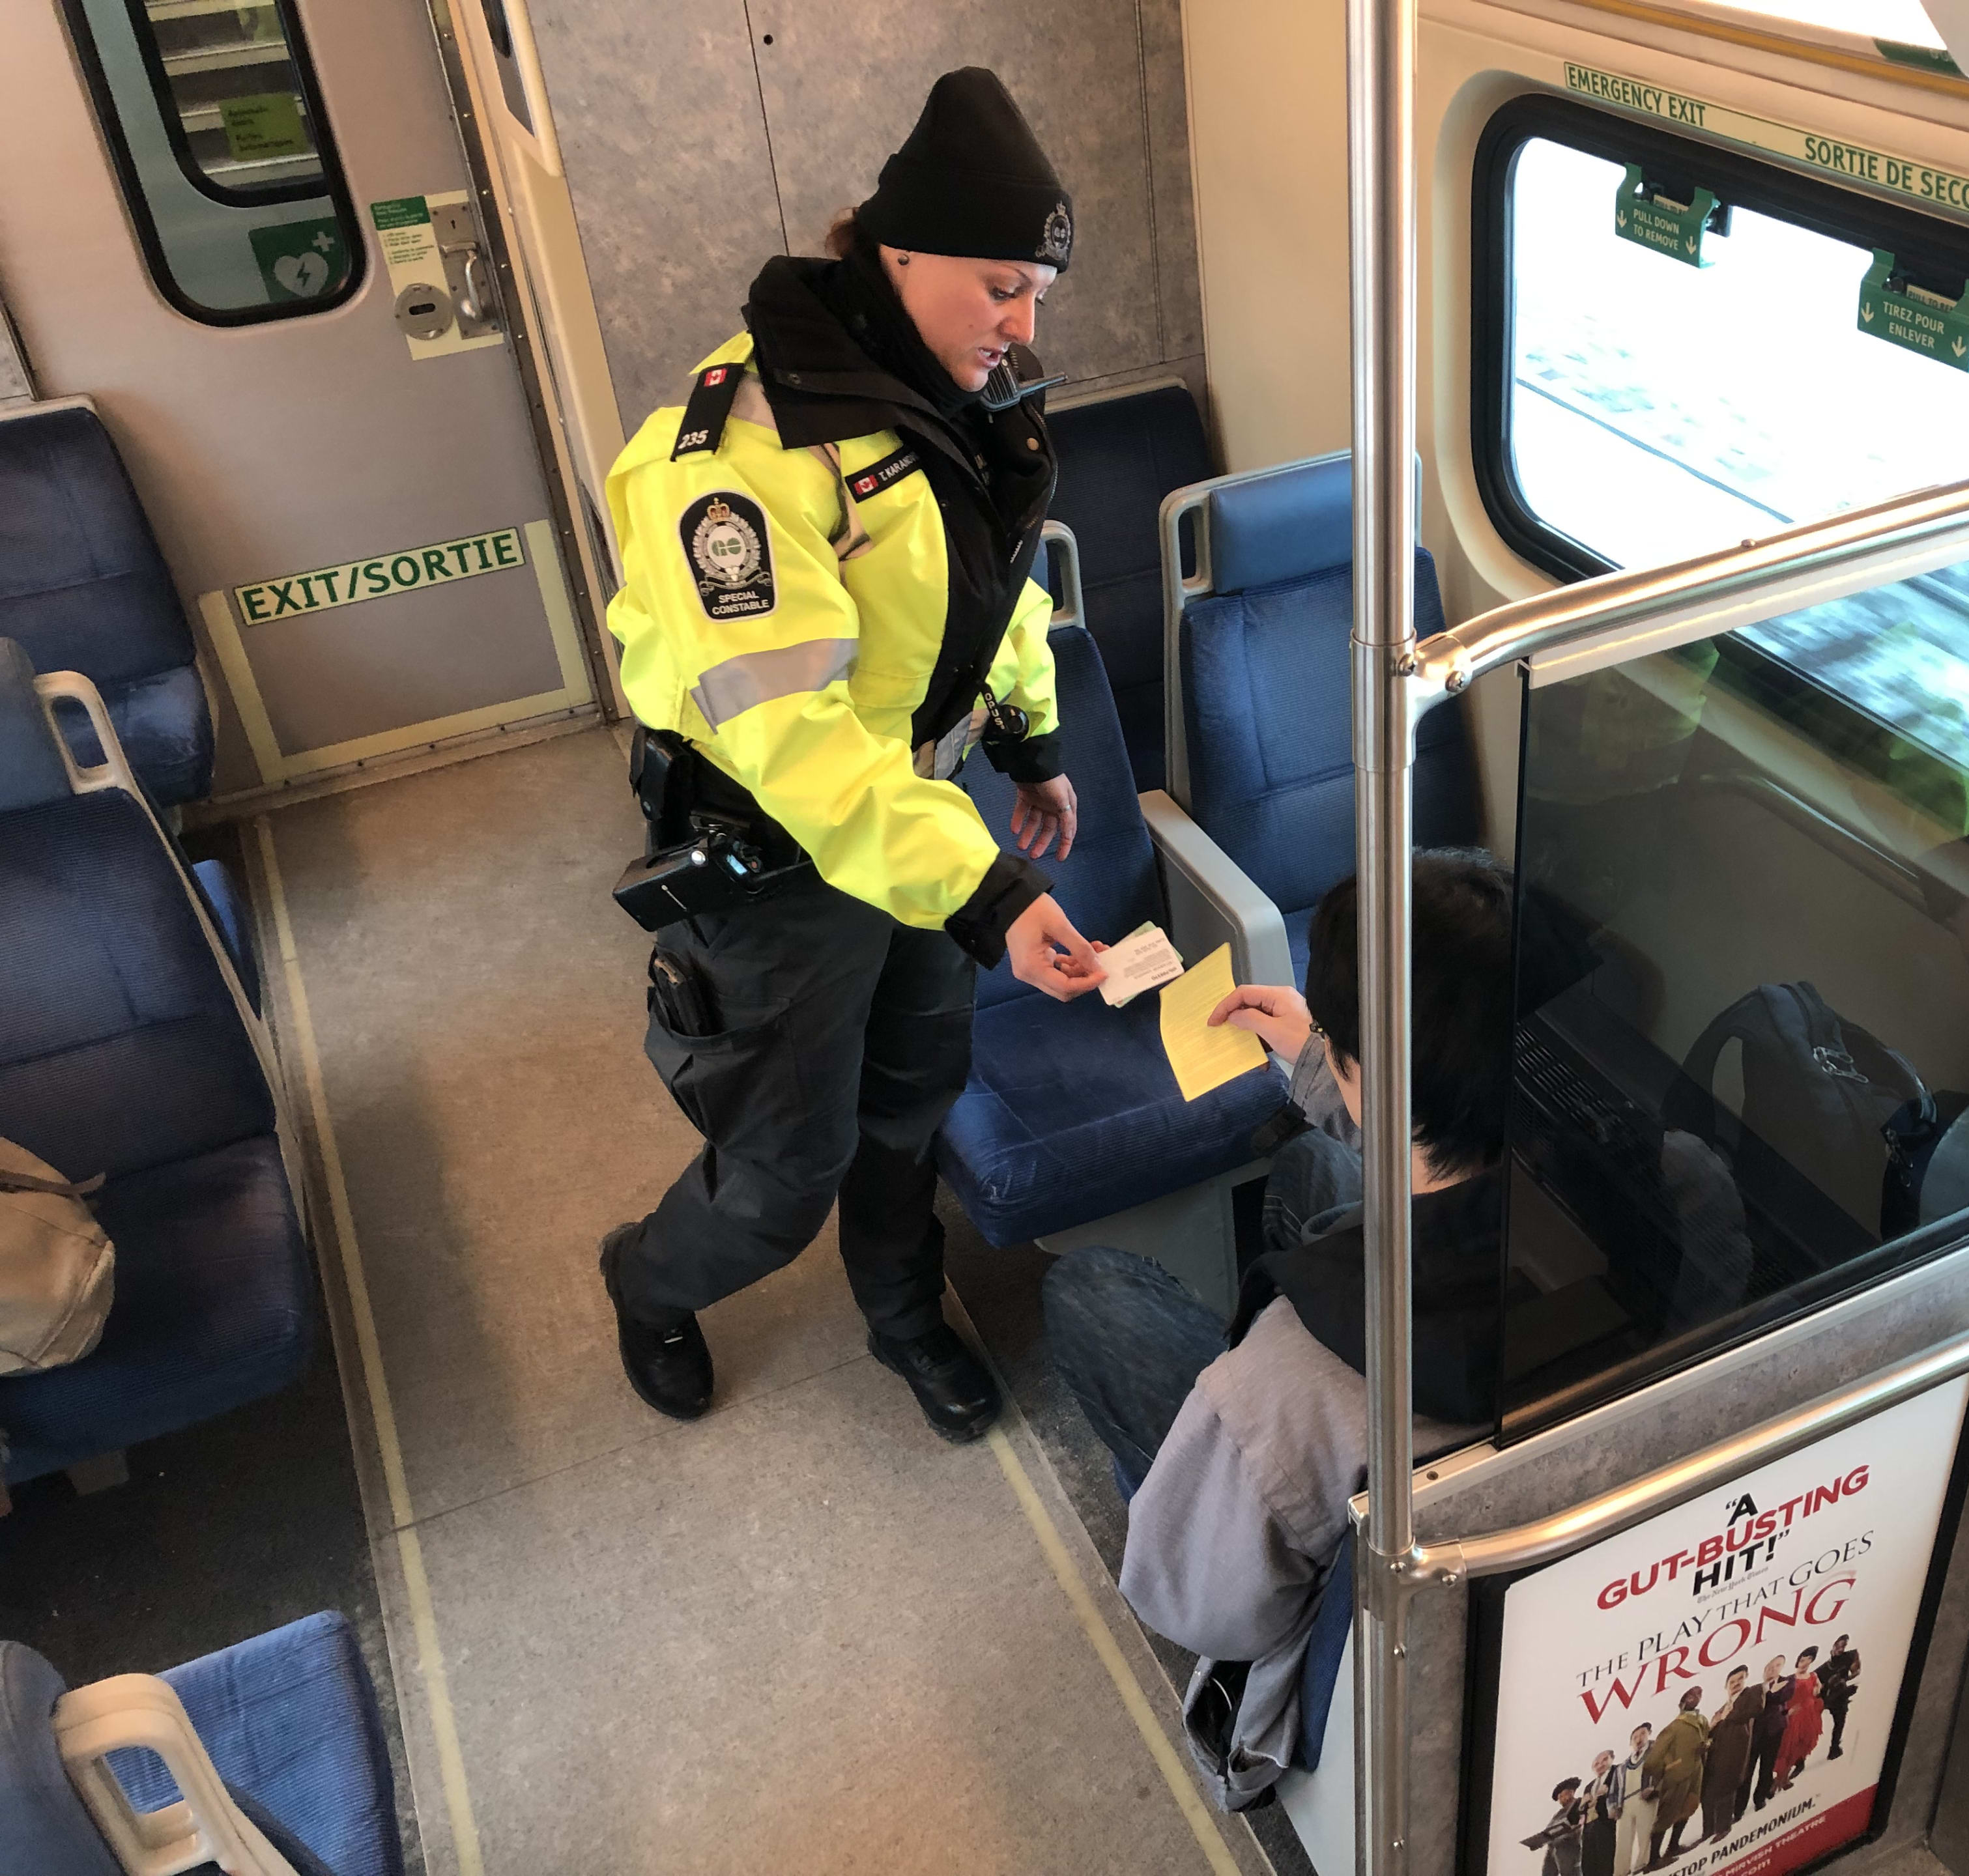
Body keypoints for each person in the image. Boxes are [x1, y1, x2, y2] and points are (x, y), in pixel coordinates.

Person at [597, 68, 1108, 1438]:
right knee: (779, 1175)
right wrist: (989, 895)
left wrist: (1030, 733)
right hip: (778, 852)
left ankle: (901, 1316)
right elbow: (799, 745)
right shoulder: (739, 460)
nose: (1021, 321)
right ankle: (646, 1281)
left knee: (912, 1099)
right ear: (898, 253)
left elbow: (990, 582)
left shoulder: (949, 392)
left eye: (1035, 294)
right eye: (1001, 283)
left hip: (913, 817)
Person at [1039, 851, 1516, 1806]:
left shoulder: (1289, 1375)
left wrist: (1235, 1417)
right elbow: (1447, 1159)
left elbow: (1206, 1603)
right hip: (1486, 1447)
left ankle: (1194, 1457)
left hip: (1326, 1491)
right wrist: (1328, 1061)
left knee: (1088, 1292)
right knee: (1312, 1179)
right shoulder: (1680, 1179)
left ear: (1365, 1069)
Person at [1640, 1685, 1710, 1866]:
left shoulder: (1702, 1720)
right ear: (1682, 1701)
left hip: (1696, 1772)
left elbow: (1707, 1738)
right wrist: (1660, 1780)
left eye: (1698, 1694)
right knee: (1666, 1815)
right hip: (1676, 1776)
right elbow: (1653, 1762)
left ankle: (1673, 1846)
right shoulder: (1673, 1727)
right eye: (1690, 1695)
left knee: (1689, 1807)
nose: (1695, 1697)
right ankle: (1653, 1861)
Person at [1700, 1667, 1759, 1842]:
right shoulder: (1721, 1709)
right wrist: (1713, 1726)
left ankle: (1723, 1828)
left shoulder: (1751, 1695)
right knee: (1708, 1794)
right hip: (1716, 1757)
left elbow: (1754, 1710)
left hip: (1735, 1754)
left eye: (1740, 1679)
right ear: (1726, 1686)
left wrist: (1727, 1716)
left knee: (1727, 1790)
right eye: (1732, 1682)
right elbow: (1712, 1733)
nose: (1736, 1684)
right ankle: (1708, 1831)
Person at [1775, 1644, 1824, 1787]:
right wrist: (1787, 1713)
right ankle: (1780, 1780)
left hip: (1809, 1717)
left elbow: (1816, 1692)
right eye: (1803, 1660)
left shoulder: (1814, 1676)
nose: (1806, 1663)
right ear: (1798, 1661)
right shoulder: (1789, 1679)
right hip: (1794, 1718)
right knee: (1787, 1749)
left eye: (1809, 1660)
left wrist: (1817, 1690)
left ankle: (1783, 1780)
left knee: (1801, 1747)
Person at [1613, 1722, 1656, 1876]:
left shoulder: (1654, 1752)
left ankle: (1641, 1865)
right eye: (1635, 1737)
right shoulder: (1622, 1767)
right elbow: (1615, 1789)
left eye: (1643, 1734)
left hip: (1644, 1797)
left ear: (1649, 1735)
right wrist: (1614, 1806)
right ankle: (1621, 1872)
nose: (1639, 1739)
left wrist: (1654, 1788)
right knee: (1623, 1840)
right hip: (1625, 1803)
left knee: (1645, 1833)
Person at [1749, 1654, 1792, 1812]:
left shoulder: (1787, 1682)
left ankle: (1760, 1799)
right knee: (1748, 1770)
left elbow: (1780, 1698)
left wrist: (1770, 1693)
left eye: (1777, 1666)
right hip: (1755, 1733)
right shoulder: (1755, 1689)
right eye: (1770, 1666)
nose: (1773, 1669)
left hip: (1774, 1730)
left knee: (1767, 1766)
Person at [1524, 1777, 1588, 1876]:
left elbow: (1578, 1824)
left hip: (1569, 1850)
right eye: (1560, 1798)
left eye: (1562, 1796)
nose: (1561, 1800)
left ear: (1570, 1793)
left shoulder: (1579, 1804)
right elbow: (1549, 1831)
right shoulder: (1557, 1815)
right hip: (1553, 1851)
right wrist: (1537, 1842)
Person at [1818, 1634, 1861, 1759]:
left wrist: (1845, 1680)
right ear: (1834, 1645)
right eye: (1839, 1645)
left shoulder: (1849, 1656)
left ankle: (1835, 1748)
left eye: (1843, 1646)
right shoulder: (1822, 1669)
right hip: (1826, 1698)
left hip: (1840, 1697)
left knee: (1839, 1723)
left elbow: (1856, 1671)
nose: (1841, 1649)